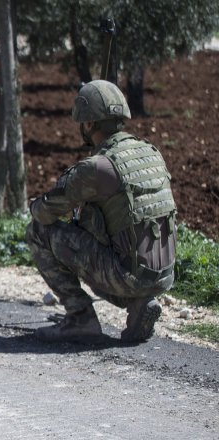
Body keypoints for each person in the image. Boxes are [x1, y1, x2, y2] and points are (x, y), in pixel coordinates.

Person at [27, 79, 177, 343]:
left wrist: (37, 204)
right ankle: (139, 302)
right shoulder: (151, 153)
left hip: (126, 275)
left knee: (38, 231)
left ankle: (80, 317)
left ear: (88, 124)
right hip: (163, 274)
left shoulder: (97, 167)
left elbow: (44, 214)